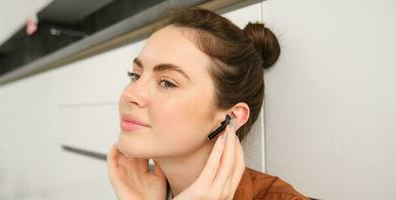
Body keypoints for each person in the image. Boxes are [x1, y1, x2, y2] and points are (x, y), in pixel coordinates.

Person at [107, 7, 310, 200]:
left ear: (231, 118)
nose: (130, 94)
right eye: (135, 75)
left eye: (167, 82)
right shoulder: (146, 192)